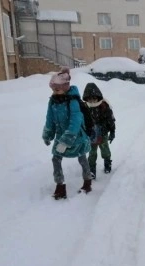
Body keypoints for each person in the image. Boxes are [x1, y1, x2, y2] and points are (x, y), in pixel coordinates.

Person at [43, 67, 93, 200]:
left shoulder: (73, 101)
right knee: (56, 159)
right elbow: (50, 119)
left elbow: (76, 121)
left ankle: (87, 182)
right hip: (61, 136)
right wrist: (48, 133)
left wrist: (66, 140)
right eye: (53, 89)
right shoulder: (53, 100)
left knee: (82, 158)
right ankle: (60, 187)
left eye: (57, 89)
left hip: (76, 137)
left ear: (65, 87)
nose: (54, 92)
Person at [82, 83, 116, 179]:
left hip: (103, 133)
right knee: (92, 152)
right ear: (86, 98)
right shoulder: (85, 107)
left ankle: (107, 163)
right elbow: (81, 121)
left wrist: (112, 132)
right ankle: (92, 170)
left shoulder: (104, 106)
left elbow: (111, 120)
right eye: (90, 99)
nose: (92, 101)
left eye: (94, 98)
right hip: (91, 134)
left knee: (105, 149)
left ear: (98, 97)